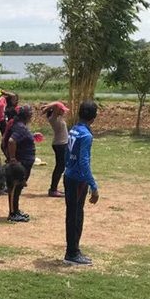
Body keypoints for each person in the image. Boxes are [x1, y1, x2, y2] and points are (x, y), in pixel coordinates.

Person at [63, 101, 99, 266]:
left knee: (74, 214)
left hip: (70, 176)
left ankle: (74, 250)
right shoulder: (86, 135)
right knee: (75, 216)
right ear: (93, 117)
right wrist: (93, 185)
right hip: (78, 180)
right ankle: (72, 253)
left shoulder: (74, 129)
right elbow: (84, 162)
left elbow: (67, 152)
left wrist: (67, 167)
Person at [6, 105, 37, 223]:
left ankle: (16, 210)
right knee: (15, 187)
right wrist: (13, 158)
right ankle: (12, 213)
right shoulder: (20, 127)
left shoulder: (21, 126)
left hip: (25, 162)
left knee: (19, 188)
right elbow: (11, 141)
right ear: (27, 116)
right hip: (21, 162)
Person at [43, 101, 69, 197]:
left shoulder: (58, 117)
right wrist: (49, 107)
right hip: (60, 144)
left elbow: (56, 105)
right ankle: (53, 189)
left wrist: (48, 107)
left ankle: (54, 188)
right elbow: (56, 105)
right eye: (62, 110)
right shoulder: (53, 118)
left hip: (62, 144)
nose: (64, 111)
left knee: (61, 166)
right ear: (57, 111)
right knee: (60, 167)